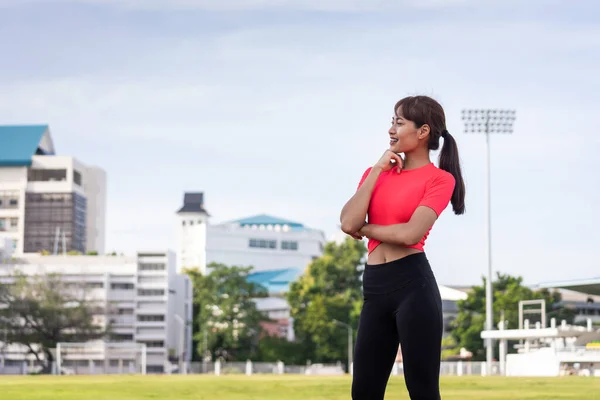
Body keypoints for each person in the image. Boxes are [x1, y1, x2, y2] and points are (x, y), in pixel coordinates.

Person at [340, 95, 466, 400]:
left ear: (423, 132)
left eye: (399, 122)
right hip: (375, 288)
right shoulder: (376, 174)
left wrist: (365, 228)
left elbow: (411, 233)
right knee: (364, 392)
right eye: (391, 121)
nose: (391, 129)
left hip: (413, 287)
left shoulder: (440, 179)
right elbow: (346, 221)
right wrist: (375, 171)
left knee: (422, 391)